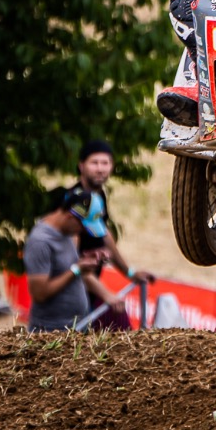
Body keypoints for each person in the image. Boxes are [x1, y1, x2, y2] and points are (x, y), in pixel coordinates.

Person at [46, 139, 149, 330]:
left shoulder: (98, 197)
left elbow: (105, 234)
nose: (100, 169)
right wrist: (106, 294)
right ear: (81, 166)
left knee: (122, 331)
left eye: (105, 163)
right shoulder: (75, 203)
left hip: (91, 291)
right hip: (69, 296)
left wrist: (130, 272)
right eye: (94, 163)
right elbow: (71, 262)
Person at [22, 193, 102, 332]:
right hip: (51, 332)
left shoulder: (67, 233)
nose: (83, 232)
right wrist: (76, 269)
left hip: (77, 326)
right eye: (83, 227)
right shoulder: (40, 242)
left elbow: (65, 267)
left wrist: (86, 260)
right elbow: (40, 293)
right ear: (70, 217)